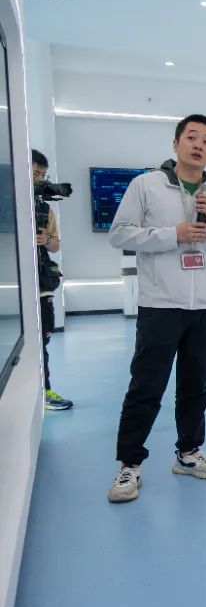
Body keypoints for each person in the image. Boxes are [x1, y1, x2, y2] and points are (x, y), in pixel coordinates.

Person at [106, 114, 206, 503]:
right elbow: (120, 234)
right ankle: (129, 464)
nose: (199, 145)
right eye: (192, 137)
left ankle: (188, 453)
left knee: (195, 386)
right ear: (176, 143)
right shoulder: (146, 185)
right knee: (146, 386)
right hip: (161, 304)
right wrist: (173, 235)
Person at [31, 150, 74, 411]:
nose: (39, 180)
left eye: (42, 175)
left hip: (42, 289)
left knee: (42, 344)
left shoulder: (44, 210)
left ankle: (44, 392)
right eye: (35, 174)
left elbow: (56, 245)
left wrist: (45, 239)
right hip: (18, 292)